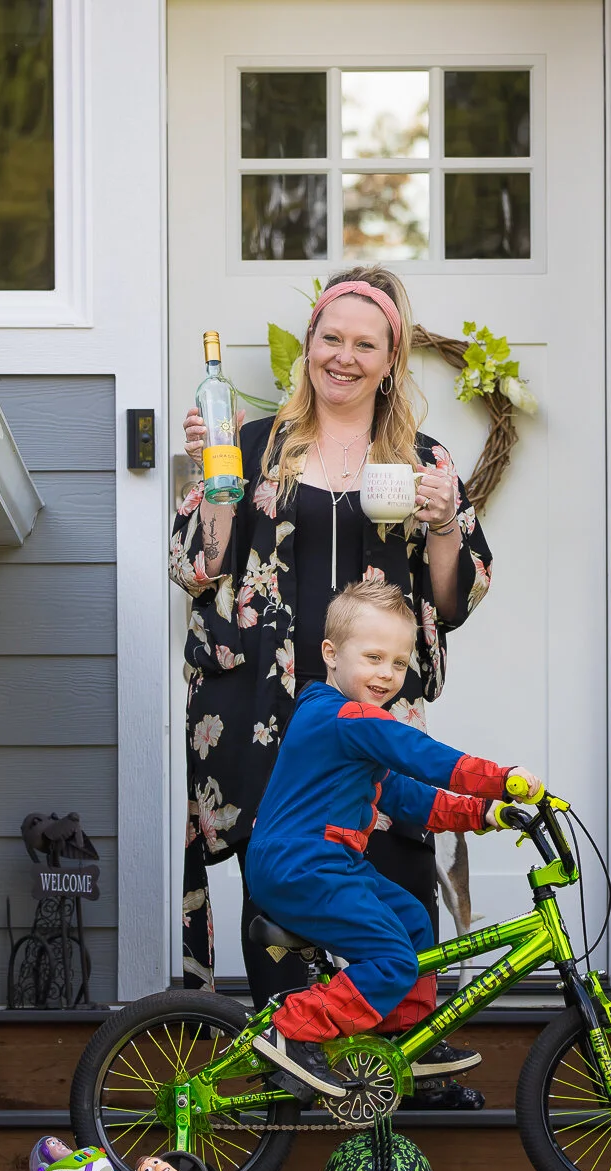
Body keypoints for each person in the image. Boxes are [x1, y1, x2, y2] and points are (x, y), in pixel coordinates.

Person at [169, 264, 494, 1100]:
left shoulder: (424, 460)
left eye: (365, 344)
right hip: (262, 707)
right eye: (331, 338)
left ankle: (403, 1066)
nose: (343, 357)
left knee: (397, 870)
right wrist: (212, 475)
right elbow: (197, 566)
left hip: (375, 705)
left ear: (391, 360)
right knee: (282, 882)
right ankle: (291, 1070)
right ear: (309, 344)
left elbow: (454, 600)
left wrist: (445, 521)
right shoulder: (249, 445)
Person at [242, 582, 539, 1098]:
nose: (386, 674)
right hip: (301, 865)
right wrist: (500, 778)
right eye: (373, 658)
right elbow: (424, 756)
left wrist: (484, 813)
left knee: (413, 921)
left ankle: (404, 1038)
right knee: (393, 959)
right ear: (331, 654)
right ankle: (291, 1029)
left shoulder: (348, 727)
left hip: (330, 864)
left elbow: (407, 796)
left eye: (399, 664)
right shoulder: (344, 717)